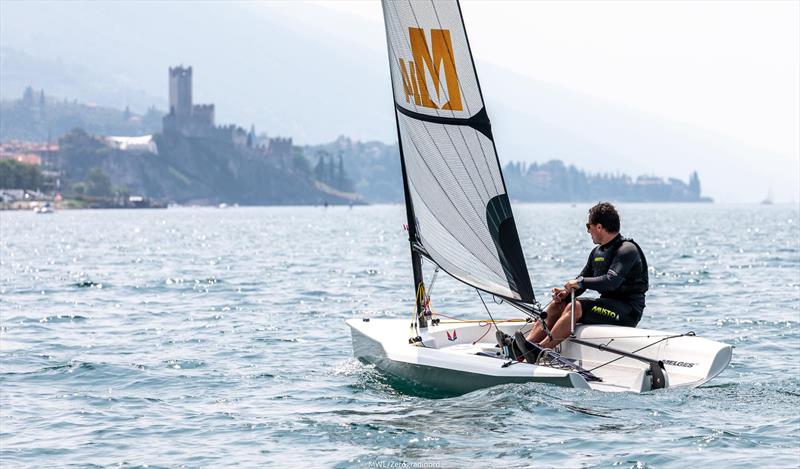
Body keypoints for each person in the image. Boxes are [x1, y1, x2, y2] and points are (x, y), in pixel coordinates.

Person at [515, 202, 649, 360]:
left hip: (627, 312)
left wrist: (581, 282)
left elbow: (611, 282)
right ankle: (520, 349)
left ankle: (539, 351)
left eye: (588, 226)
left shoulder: (626, 249)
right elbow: (580, 284)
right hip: (606, 306)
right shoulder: (597, 252)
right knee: (558, 305)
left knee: (576, 307)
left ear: (599, 227)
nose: (587, 231)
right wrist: (565, 293)